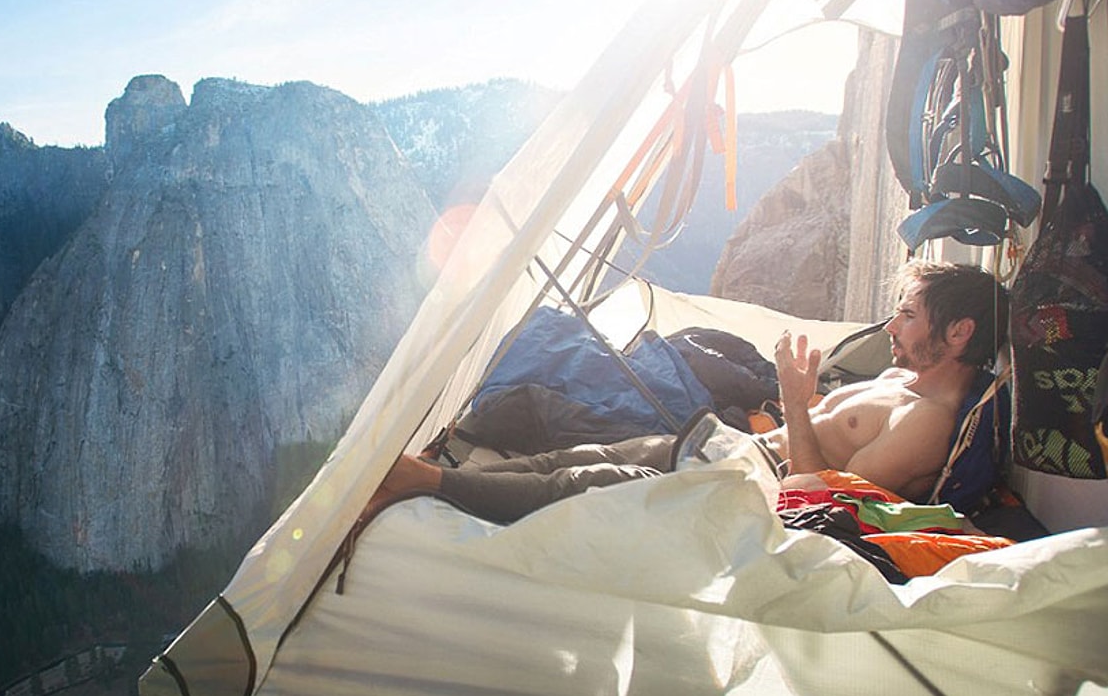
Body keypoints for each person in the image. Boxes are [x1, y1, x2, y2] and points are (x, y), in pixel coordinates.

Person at [374, 260, 1010, 523]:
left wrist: (793, 399)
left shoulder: (928, 422)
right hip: (733, 446)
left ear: (958, 333)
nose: (893, 327)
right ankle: (422, 476)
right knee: (578, 457)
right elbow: (824, 433)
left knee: (583, 487)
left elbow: (818, 503)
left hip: (751, 483)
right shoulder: (901, 377)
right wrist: (801, 397)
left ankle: (418, 483)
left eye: (908, 316)